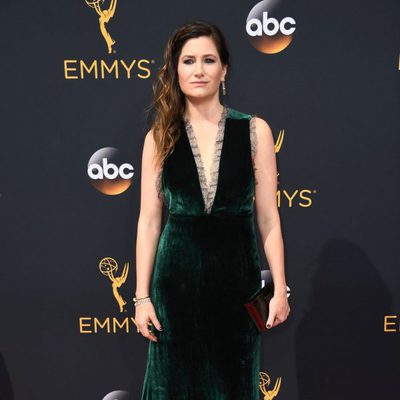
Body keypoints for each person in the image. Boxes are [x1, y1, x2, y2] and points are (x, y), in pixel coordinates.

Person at [134, 19, 290, 400]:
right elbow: (150, 221)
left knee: (235, 387)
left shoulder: (255, 130)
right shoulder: (159, 137)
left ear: (224, 70)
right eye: (188, 61)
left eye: (208, 60)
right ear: (175, 70)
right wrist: (141, 297)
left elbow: (268, 216)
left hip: (237, 286)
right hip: (176, 287)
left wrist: (281, 289)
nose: (198, 70)